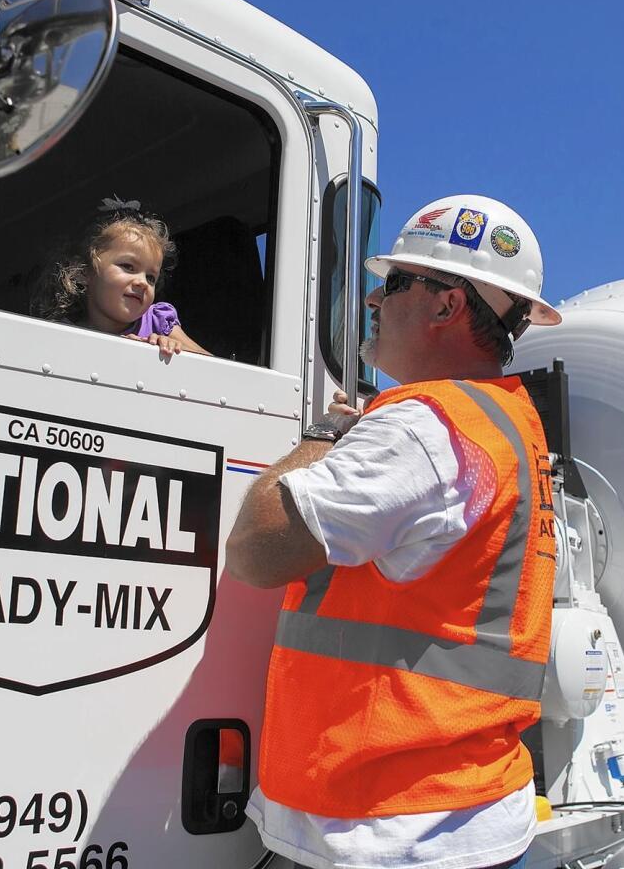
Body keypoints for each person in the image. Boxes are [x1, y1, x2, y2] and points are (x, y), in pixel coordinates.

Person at [226, 195, 563, 869]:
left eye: (398, 282)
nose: (375, 298)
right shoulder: (511, 428)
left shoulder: (423, 423)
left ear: (447, 306)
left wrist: (324, 436)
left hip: (387, 831)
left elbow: (255, 550)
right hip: (463, 818)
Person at [35, 200, 209, 357]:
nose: (142, 282)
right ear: (83, 272)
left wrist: (176, 351)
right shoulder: (61, 334)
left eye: (150, 278)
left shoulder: (156, 321)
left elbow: (215, 366)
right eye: (128, 267)